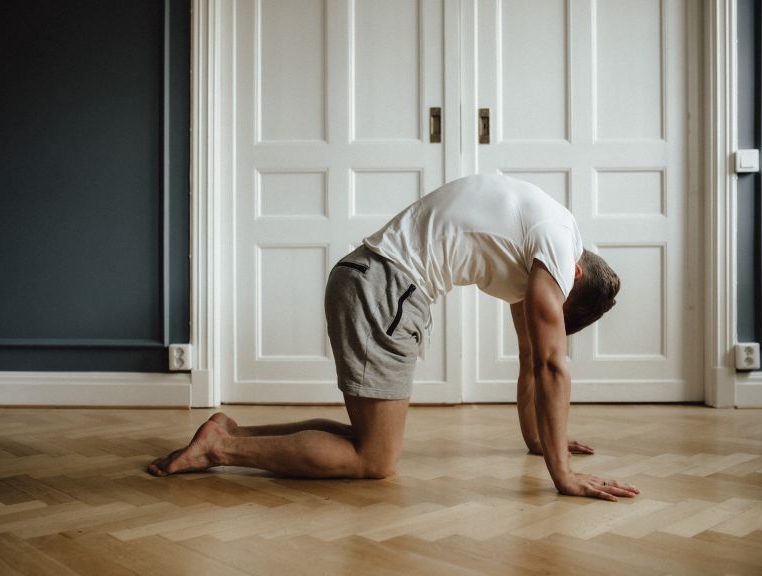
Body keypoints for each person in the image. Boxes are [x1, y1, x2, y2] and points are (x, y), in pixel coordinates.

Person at [149, 174, 640, 502]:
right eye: (556, 305)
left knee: (370, 441)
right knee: (375, 460)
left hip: (372, 280)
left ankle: (228, 435)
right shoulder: (555, 245)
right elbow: (553, 365)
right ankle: (221, 452)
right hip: (385, 288)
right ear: (574, 273)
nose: (546, 309)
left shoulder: (544, 232)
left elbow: (533, 356)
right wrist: (564, 477)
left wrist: (537, 440)